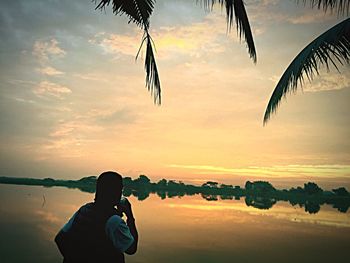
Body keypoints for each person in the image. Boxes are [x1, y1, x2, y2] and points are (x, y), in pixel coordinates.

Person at [55, 171, 138, 263]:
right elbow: (131, 249)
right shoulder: (114, 221)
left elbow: (59, 238)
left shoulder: (84, 210)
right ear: (116, 192)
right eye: (121, 190)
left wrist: (71, 258)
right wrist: (130, 217)